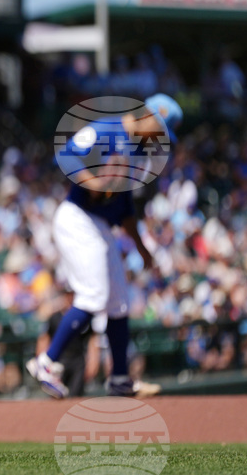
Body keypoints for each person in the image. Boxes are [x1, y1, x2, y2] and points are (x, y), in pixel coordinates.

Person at [27, 94, 182, 398]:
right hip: (78, 217)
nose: (160, 139)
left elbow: (124, 208)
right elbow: (66, 155)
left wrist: (141, 247)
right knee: (94, 294)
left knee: (119, 301)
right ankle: (47, 362)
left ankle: (120, 379)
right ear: (147, 116)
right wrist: (94, 182)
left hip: (101, 224)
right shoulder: (107, 129)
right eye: (160, 130)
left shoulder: (139, 152)